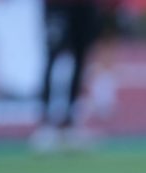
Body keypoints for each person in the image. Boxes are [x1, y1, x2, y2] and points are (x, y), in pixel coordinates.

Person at [31, 0, 115, 152]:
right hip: (58, 5)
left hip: (84, 5)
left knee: (80, 60)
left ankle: (70, 124)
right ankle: (46, 125)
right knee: (54, 56)